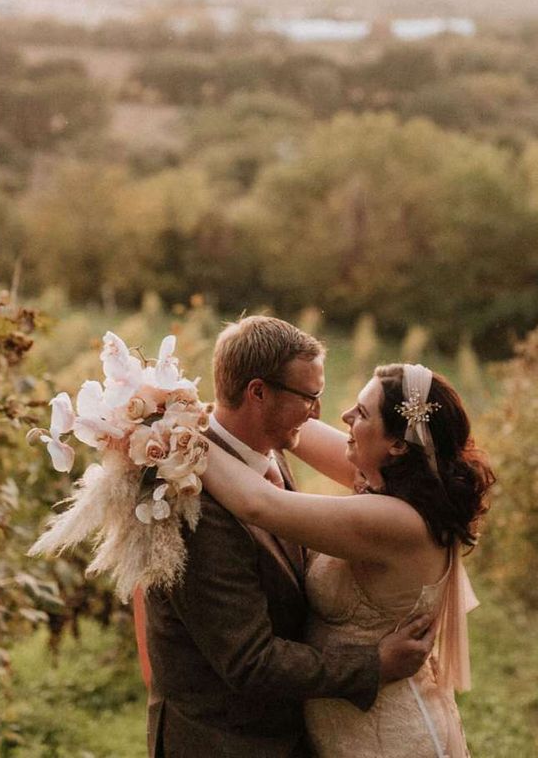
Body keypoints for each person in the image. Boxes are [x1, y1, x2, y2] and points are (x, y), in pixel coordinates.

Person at [144, 316, 434, 758]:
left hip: (285, 732)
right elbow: (251, 661)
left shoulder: (271, 447)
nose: (319, 412)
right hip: (226, 742)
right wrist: (373, 663)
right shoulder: (193, 502)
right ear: (258, 392)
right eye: (310, 397)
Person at [200, 359, 495, 757]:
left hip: (391, 739)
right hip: (349, 730)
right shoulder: (389, 481)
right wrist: (188, 404)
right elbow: (290, 429)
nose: (344, 416)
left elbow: (258, 505)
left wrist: (175, 434)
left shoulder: (396, 520)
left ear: (396, 444)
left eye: (362, 413)